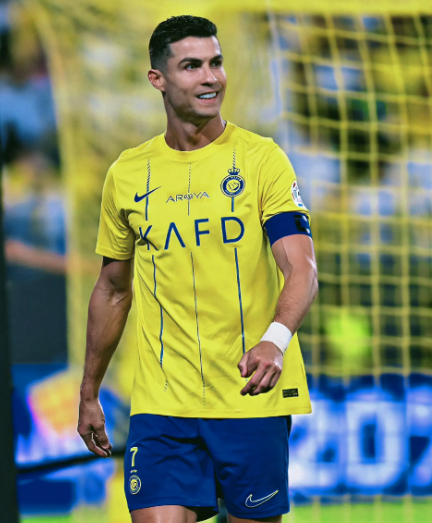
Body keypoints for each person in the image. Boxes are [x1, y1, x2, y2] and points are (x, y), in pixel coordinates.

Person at [78, 15, 318, 523]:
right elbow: (113, 289)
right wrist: (89, 391)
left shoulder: (262, 160)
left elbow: (302, 268)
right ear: (158, 79)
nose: (211, 77)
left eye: (216, 63)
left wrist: (275, 340)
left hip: (250, 395)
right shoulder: (127, 174)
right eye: (192, 66)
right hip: (163, 404)